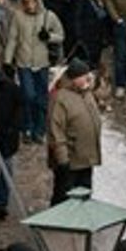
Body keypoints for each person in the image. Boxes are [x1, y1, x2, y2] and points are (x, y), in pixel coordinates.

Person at [1, 0, 63, 143]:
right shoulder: (18, 17)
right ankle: (27, 128)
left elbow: (61, 36)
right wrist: (8, 61)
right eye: (26, 2)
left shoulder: (49, 16)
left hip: (42, 63)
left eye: (32, 1)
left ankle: (39, 129)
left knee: (41, 99)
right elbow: (13, 39)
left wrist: (49, 36)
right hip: (24, 63)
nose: (29, 5)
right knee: (28, 96)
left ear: (37, 1)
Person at [46, 60, 104, 202]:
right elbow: (56, 132)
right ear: (74, 78)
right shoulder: (60, 98)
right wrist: (63, 161)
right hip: (70, 162)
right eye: (84, 76)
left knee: (84, 198)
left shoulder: (86, 93)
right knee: (64, 199)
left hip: (86, 160)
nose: (88, 78)